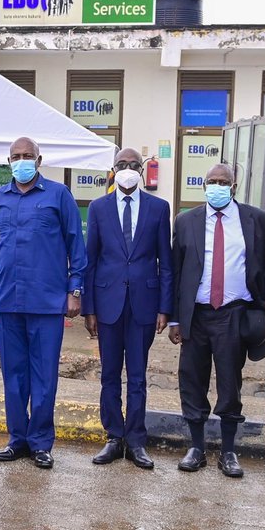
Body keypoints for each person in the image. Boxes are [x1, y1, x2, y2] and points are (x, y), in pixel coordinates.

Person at [169, 163, 265, 477]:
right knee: (191, 380)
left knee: (230, 383)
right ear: (204, 185)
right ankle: (196, 448)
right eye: (211, 181)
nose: (216, 186)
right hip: (197, 315)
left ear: (234, 186)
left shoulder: (256, 219)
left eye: (223, 181)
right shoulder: (186, 220)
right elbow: (176, 273)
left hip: (234, 314)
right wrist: (176, 319)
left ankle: (229, 451)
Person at [0, 137, 87, 470]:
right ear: (8, 160)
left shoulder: (59, 195)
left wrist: (75, 290)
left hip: (46, 301)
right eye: (16, 156)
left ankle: (41, 442)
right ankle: (17, 440)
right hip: (7, 302)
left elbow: (76, 245)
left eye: (28, 156)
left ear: (39, 160)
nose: (22, 161)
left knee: (44, 375)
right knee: (13, 374)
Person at [82, 147, 172, 469]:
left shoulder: (159, 208)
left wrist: (166, 307)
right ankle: (113, 437)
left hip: (144, 305)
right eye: (122, 164)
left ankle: (136, 441)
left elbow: (166, 262)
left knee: (137, 376)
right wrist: (88, 308)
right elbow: (90, 260)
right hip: (107, 304)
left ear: (143, 169)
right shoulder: (98, 208)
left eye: (134, 164)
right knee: (109, 375)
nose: (128, 169)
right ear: (113, 169)